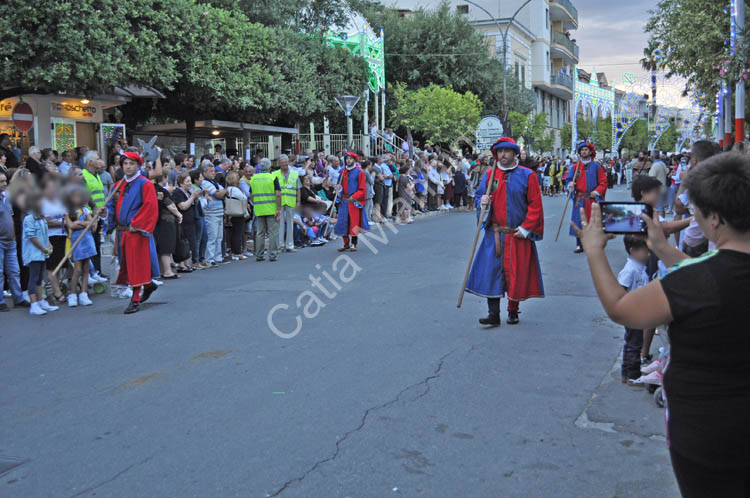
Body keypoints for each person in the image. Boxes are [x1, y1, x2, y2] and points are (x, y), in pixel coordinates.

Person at [573, 152, 750, 498]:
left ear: (714, 219)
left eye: (695, 210)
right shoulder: (709, 274)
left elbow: (623, 309)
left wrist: (594, 250)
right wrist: (664, 249)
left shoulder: (700, 281)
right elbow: (713, 275)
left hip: (713, 434)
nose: (692, 216)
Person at [465, 137, 544, 326]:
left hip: (516, 233)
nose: (503, 154)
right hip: (495, 234)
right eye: (500, 151)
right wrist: (482, 202)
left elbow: (535, 204)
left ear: (515, 153)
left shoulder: (527, 175)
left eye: (507, 151)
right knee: (491, 273)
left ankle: (513, 311)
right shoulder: (491, 175)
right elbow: (480, 196)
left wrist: (526, 228)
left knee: (515, 274)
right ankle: (493, 314)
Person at [109, 152, 160, 314]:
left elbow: (150, 207)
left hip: (136, 231)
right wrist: (105, 214)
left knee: (136, 265)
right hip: (122, 232)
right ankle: (148, 284)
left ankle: (135, 298)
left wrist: (136, 223)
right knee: (126, 263)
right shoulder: (117, 185)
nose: (128, 167)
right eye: (125, 164)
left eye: (131, 164)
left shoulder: (145, 184)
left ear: (138, 165)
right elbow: (111, 206)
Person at [616, 235, 649, 385]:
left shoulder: (639, 266)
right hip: (633, 312)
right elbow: (621, 289)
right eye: (645, 251)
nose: (648, 255)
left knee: (632, 342)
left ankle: (626, 372)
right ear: (632, 251)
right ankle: (632, 375)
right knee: (634, 344)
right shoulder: (630, 270)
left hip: (640, 311)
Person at [565, 141, 607, 253]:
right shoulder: (574, 167)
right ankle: (580, 244)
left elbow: (603, 182)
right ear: (579, 153)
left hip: (592, 199)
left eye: (586, 150)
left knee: (593, 221)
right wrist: (570, 185)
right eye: (582, 150)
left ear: (590, 152)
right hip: (579, 199)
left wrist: (597, 192)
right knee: (579, 221)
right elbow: (568, 180)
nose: (584, 151)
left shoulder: (597, 167)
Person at [22, 190, 59, 315]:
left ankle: (41, 301)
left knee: (39, 279)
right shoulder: (29, 219)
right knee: (33, 278)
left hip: (42, 254)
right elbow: (31, 237)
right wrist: (42, 248)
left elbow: (45, 235)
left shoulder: (42, 219)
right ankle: (34, 304)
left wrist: (48, 245)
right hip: (34, 254)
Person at [0, 172, 30, 311]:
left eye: (5, 181)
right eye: (1, 182)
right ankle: (0, 301)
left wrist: (13, 236)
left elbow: (11, 217)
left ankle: (18, 298)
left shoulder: (6, 197)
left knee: (14, 271)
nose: (5, 184)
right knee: (0, 273)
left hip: (10, 241)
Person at [63, 185, 97, 307]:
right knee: (77, 269)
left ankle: (83, 293)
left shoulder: (85, 210)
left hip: (87, 240)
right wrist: (83, 224)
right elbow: (71, 226)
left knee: (86, 268)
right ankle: (72, 294)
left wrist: (80, 223)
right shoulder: (67, 211)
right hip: (76, 241)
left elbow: (92, 223)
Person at [334, 152, 370, 252]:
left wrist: (354, 197)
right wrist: (338, 188)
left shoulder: (359, 172)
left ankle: (354, 243)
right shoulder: (342, 172)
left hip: (353, 201)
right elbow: (339, 185)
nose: (348, 160)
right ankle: (346, 243)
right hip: (344, 201)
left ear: (354, 160)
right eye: (346, 159)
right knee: (343, 222)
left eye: (350, 159)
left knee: (354, 223)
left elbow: (362, 189)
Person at [249, 158, 281, 262]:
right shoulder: (273, 177)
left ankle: (259, 255)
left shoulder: (254, 178)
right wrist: (278, 208)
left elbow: (251, 195)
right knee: (273, 233)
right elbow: (278, 195)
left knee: (260, 233)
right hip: (271, 209)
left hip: (259, 209)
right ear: (269, 167)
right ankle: (272, 255)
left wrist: (256, 204)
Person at [41, 177, 67, 303]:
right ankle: (56, 291)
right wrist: (62, 223)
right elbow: (46, 221)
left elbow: (66, 216)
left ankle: (55, 288)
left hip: (62, 235)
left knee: (59, 264)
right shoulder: (43, 203)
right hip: (50, 236)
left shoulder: (59, 201)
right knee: (51, 266)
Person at [153, 174, 181, 279]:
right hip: (165, 221)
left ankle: (161, 271)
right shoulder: (161, 191)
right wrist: (179, 214)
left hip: (158, 221)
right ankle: (167, 271)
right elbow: (170, 205)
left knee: (161, 248)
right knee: (166, 247)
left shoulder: (157, 190)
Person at [172, 173, 201, 271]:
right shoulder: (178, 192)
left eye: (190, 181)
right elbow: (182, 206)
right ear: (181, 183)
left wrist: (195, 198)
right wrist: (192, 197)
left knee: (190, 243)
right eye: (187, 181)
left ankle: (187, 264)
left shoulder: (188, 192)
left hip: (191, 221)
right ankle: (181, 264)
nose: (189, 184)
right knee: (183, 243)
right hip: (182, 222)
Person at [200, 161, 227, 266]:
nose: (213, 173)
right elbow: (218, 195)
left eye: (214, 171)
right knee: (212, 236)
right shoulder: (205, 183)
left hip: (219, 212)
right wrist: (221, 192)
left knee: (219, 236)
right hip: (211, 213)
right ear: (204, 172)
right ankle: (209, 258)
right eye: (211, 171)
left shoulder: (215, 183)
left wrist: (222, 192)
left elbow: (224, 192)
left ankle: (218, 256)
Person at [273, 154, 300, 253]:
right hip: (279, 202)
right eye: (282, 162)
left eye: (286, 162)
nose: (284, 164)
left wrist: (298, 201)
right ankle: (280, 246)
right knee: (279, 224)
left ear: (288, 162)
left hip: (290, 201)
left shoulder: (294, 173)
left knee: (290, 223)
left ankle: (290, 245)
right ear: (279, 163)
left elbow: (298, 189)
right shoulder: (275, 174)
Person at [225, 171, 248, 260]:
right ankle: (237, 252)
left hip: (231, 213)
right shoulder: (235, 189)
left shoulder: (227, 189)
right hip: (238, 212)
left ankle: (234, 251)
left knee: (234, 232)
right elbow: (244, 198)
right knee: (238, 233)